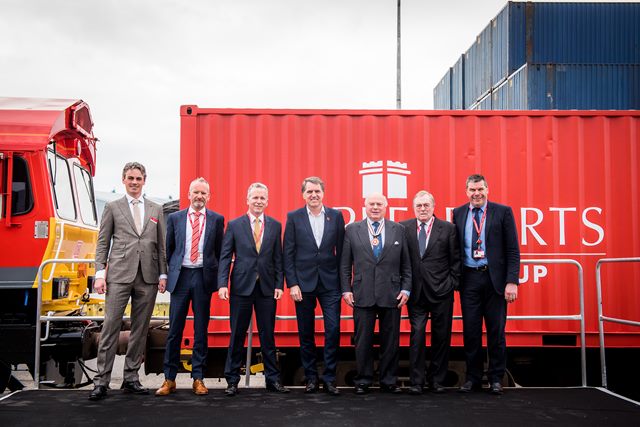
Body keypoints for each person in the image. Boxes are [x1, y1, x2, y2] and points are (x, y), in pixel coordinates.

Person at [89, 162, 167, 401]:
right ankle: (102, 380)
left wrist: (163, 274)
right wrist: (100, 274)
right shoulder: (113, 207)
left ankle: (131, 377)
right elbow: (103, 242)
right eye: (130, 178)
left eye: (138, 178)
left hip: (148, 276)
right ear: (124, 180)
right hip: (119, 275)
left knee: (140, 329)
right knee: (111, 327)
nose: (134, 182)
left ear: (144, 180)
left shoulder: (156, 209)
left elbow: (161, 244)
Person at [217, 182, 289, 396]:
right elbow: (225, 256)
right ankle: (232, 381)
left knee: (268, 336)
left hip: (266, 288)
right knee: (237, 335)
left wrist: (279, 284)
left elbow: (278, 257)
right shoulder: (235, 224)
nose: (258, 201)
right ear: (247, 200)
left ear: (267, 201)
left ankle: (272, 380)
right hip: (241, 287)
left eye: (262, 198)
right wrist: (222, 284)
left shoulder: (275, 225)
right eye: (255, 198)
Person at [155, 178, 224, 397]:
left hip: (203, 278)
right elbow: (170, 248)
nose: (199, 196)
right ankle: (169, 379)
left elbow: (219, 251)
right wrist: (166, 274)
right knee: (174, 330)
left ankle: (198, 378)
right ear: (189, 194)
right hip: (181, 277)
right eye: (196, 192)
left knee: (200, 330)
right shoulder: (175, 218)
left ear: (209, 197)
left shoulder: (216, 219)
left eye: (204, 193)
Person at [452, 174, 520, 395]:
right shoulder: (459, 213)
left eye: (480, 189)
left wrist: (511, 281)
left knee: (496, 331)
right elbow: (456, 249)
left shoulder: (503, 212)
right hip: (469, 279)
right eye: (472, 190)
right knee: (471, 331)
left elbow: (512, 249)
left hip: (495, 280)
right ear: (467, 192)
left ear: (487, 189)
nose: (476, 194)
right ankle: (473, 378)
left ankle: (496, 378)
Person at [340, 193, 411, 394]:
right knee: (363, 340)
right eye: (371, 204)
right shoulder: (352, 230)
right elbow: (345, 264)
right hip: (362, 293)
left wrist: (406, 288)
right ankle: (363, 380)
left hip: (392, 293)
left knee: (391, 340)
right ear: (365, 206)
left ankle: (388, 381)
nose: (375, 207)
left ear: (386, 206)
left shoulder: (398, 229)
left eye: (379, 204)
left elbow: (406, 264)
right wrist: (346, 289)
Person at [283, 177, 345, 396]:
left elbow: (342, 253)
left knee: (333, 330)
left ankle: (329, 378)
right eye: (309, 192)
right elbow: (287, 254)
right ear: (303, 195)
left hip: (330, 284)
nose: (313, 195)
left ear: (323, 193)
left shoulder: (336, 216)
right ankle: (311, 378)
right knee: (306, 333)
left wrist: (342, 283)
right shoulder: (294, 217)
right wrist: (292, 284)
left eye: (317, 191)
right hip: (303, 284)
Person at [400, 191, 460, 395]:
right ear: (413, 207)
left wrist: (452, 283)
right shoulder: (404, 227)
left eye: (426, 205)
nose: (422, 209)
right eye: (419, 206)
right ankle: (417, 382)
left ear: (434, 207)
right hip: (415, 292)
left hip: (442, 291)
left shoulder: (448, 229)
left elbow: (456, 260)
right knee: (416, 335)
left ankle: (438, 381)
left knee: (441, 336)